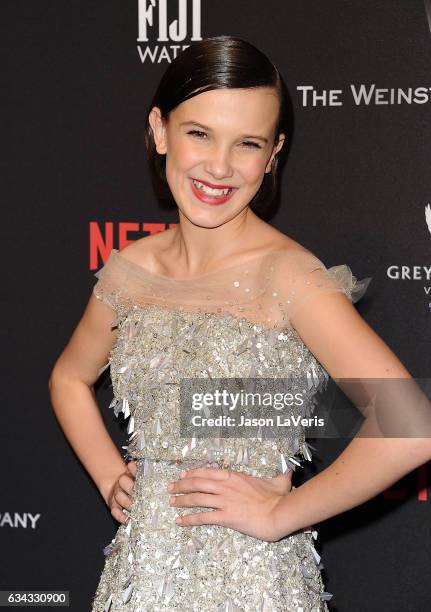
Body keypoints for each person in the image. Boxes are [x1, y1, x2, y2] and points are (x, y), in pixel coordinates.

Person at [48, 35, 431, 612]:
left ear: (273, 153)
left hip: (254, 582)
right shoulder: (131, 271)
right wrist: (109, 475)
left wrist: (282, 513)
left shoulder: (288, 276)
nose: (220, 167)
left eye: (247, 144)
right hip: (141, 581)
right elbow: (68, 379)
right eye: (199, 133)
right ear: (159, 129)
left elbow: (411, 428)